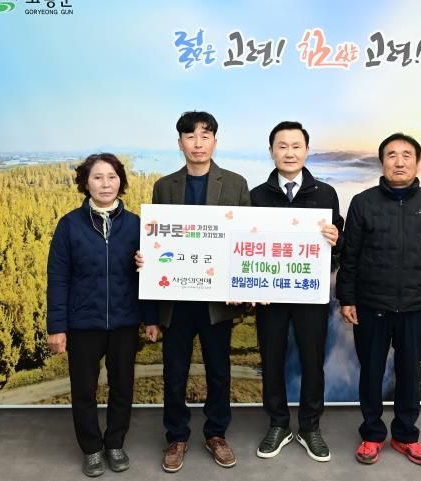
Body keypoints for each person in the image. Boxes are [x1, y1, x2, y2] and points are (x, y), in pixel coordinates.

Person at [336, 133, 421, 466]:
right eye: (391, 155)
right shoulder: (363, 202)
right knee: (371, 373)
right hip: (371, 305)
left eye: (406, 155)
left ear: (417, 162)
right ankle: (372, 435)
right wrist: (347, 298)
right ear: (381, 162)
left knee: (409, 374)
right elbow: (350, 256)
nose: (399, 162)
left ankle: (405, 436)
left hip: (415, 307)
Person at [149, 111, 250, 472]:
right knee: (174, 371)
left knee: (218, 371)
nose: (197, 143)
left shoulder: (235, 184)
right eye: (190, 136)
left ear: (215, 142)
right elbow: (157, 239)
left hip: (217, 300)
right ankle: (176, 436)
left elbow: (244, 240)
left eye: (205, 136)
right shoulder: (165, 186)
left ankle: (216, 434)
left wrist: (240, 284)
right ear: (179, 143)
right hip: (176, 300)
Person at [47, 153, 159, 477]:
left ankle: (115, 443)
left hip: (125, 321)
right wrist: (57, 326)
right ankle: (92, 449)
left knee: (122, 387)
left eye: (112, 177)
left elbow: (148, 277)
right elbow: (58, 278)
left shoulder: (137, 225)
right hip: (83, 323)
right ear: (86, 183)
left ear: (121, 181)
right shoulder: (69, 225)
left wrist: (151, 318)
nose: (105, 184)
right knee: (84, 390)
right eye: (97, 177)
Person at [249, 121, 342, 462]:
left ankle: (310, 426)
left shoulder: (326, 193)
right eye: (282, 146)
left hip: (309, 293)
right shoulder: (256, 195)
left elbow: (339, 245)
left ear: (307, 150)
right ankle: (278, 423)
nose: (289, 153)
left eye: (296, 146)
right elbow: (245, 245)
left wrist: (337, 238)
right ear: (271, 151)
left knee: (312, 360)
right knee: (271, 358)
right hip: (269, 294)